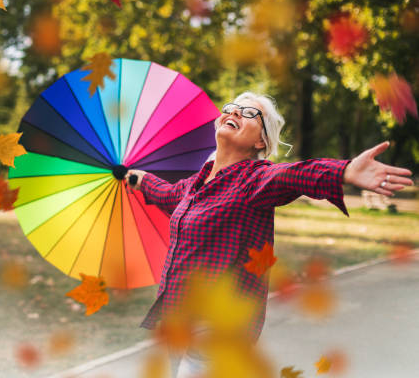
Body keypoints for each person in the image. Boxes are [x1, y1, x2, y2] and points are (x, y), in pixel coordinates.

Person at [124, 91, 414, 377]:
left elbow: (293, 175)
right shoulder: (195, 185)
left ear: (261, 141)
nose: (235, 112)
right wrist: (138, 178)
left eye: (249, 113)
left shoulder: (254, 178)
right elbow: (167, 193)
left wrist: (343, 171)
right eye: (233, 107)